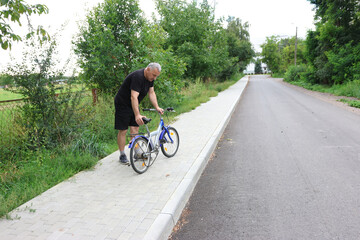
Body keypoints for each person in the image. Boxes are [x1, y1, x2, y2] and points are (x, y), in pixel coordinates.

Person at [114, 62, 164, 164]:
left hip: (134, 104)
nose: (154, 78)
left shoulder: (150, 79)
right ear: (148, 69)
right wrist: (137, 114)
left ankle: (136, 152)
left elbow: (151, 93)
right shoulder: (138, 76)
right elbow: (133, 96)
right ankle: (122, 154)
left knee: (135, 127)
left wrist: (157, 107)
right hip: (122, 103)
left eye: (156, 76)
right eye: (154, 75)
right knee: (123, 130)